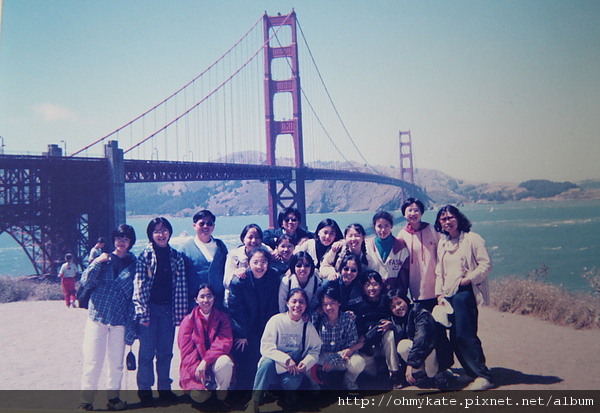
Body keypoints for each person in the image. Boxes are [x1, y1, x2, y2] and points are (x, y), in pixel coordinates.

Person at [78, 224, 137, 412]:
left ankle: (113, 398)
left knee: (116, 363)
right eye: (119, 238)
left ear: (131, 242)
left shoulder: (134, 265)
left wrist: (131, 328)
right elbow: (84, 281)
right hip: (97, 317)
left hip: (119, 320)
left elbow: (134, 298)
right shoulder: (103, 259)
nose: (122, 241)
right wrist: (96, 262)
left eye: (126, 238)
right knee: (93, 361)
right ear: (114, 240)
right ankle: (86, 400)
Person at [434, 205, 493, 391]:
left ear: (459, 219)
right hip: (448, 295)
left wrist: (469, 279)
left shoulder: (472, 239)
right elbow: (439, 272)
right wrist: (439, 293)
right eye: (443, 219)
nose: (447, 221)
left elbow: (486, 264)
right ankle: (470, 371)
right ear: (439, 223)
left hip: (464, 294)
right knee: (454, 337)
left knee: (466, 335)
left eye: (451, 217)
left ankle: (483, 376)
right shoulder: (443, 243)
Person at [133, 217, 188, 406]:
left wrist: (179, 315)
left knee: (165, 352)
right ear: (151, 235)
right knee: (146, 352)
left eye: (164, 230)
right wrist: (142, 311)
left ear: (170, 233)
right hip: (149, 310)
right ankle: (145, 391)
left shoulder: (176, 256)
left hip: (168, 311)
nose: (161, 234)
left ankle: (164, 389)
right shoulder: (144, 256)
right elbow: (139, 285)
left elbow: (181, 286)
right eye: (157, 231)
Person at [246, 289, 321, 413]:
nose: (297, 305)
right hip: (276, 365)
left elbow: (315, 350)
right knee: (265, 362)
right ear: (287, 303)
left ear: (306, 305)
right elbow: (266, 347)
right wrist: (286, 359)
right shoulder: (276, 321)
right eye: (294, 301)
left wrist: (306, 363)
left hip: (294, 368)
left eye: (302, 302)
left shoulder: (308, 326)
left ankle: (289, 395)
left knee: (290, 383)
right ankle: (254, 401)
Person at [228, 248, 280, 391]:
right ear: (248, 264)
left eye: (263, 262)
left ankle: (266, 390)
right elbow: (235, 309)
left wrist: (270, 331)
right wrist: (243, 333)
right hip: (245, 327)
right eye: (255, 262)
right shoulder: (239, 280)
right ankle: (244, 391)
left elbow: (273, 305)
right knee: (246, 357)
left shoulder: (273, 277)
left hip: (265, 325)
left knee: (265, 357)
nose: (259, 266)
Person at [178, 283, 234, 406]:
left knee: (225, 362)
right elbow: (187, 353)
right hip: (195, 370)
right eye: (202, 297)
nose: (206, 300)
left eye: (209, 296)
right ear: (196, 299)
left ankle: (220, 396)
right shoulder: (188, 321)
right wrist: (199, 373)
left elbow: (224, 343)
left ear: (214, 298)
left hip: (211, 363)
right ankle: (207, 395)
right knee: (200, 397)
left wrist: (206, 361)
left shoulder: (222, 318)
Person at [385, 289, 452, 390]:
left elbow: (423, 337)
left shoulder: (419, 311)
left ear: (406, 300)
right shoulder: (395, 320)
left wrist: (410, 364)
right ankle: (422, 376)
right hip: (418, 358)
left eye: (399, 303)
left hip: (434, 352)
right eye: (393, 307)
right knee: (403, 346)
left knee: (423, 344)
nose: (398, 308)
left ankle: (437, 374)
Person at [310, 286, 364, 390]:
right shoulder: (317, 318)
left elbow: (351, 346)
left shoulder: (347, 320)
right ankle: (315, 385)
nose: (329, 307)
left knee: (358, 362)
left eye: (332, 303)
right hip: (322, 356)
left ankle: (349, 381)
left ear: (339, 302)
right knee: (307, 364)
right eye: (325, 304)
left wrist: (333, 359)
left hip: (341, 356)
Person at [397, 198, 440, 312]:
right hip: (417, 291)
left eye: (416, 210)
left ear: (421, 212)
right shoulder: (402, 235)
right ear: (404, 214)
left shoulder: (432, 230)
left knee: (440, 326)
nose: (413, 213)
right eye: (409, 210)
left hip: (437, 289)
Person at [181, 210, 228, 309]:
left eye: (209, 223)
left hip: (218, 302)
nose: (205, 226)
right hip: (195, 304)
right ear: (194, 226)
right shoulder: (185, 249)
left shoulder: (220, 246)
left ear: (213, 226)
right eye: (201, 223)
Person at [223, 224, 272, 306]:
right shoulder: (234, 255)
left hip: (260, 301)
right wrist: (235, 273)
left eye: (257, 237)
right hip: (237, 301)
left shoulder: (267, 252)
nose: (253, 241)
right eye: (250, 237)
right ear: (243, 239)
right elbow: (226, 282)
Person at [365, 211, 409, 292]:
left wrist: (401, 294)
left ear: (391, 226)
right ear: (374, 227)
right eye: (379, 226)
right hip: (372, 294)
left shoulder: (401, 247)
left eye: (386, 226)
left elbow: (404, 275)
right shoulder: (366, 246)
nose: (383, 230)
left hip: (394, 295)